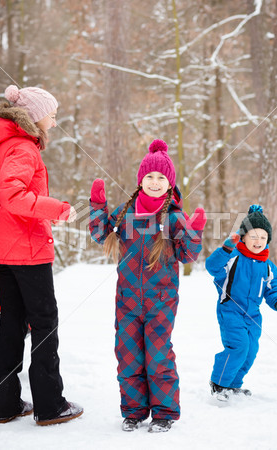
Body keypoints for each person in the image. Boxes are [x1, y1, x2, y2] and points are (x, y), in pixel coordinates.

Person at [89, 139, 206, 432]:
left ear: (170, 183)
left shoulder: (174, 217)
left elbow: (188, 255)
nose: (154, 182)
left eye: (161, 178)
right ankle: (134, 411)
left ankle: (164, 412)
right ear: (141, 180)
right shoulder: (126, 212)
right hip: (127, 299)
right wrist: (97, 206)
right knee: (127, 355)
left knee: (157, 356)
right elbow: (101, 234)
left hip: (161, 301)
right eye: (149, 177)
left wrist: (195, 231)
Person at [0, 85, 83, 425]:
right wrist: (58, 208)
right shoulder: (23, 149)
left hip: (3, 249)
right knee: (44, 325)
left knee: (13, 324)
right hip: (26, 251)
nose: (54, 123)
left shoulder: (3, 146)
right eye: (52, 116)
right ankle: (50, 404)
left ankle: (3, 403)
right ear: (34, 116)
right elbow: (14, 197)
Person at [205, 204, 277, 401]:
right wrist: (226, 248)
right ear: (243, 237)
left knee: (250, 351)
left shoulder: (268, 266)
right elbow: (212, 267)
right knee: (239, 346)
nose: (258, 241)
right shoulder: (233, 257)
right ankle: (219, 384)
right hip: (230, 310)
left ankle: (233, 385)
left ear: (268, 240)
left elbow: (271, 290)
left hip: (253, 315)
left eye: (263, 237)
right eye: (253, 236)